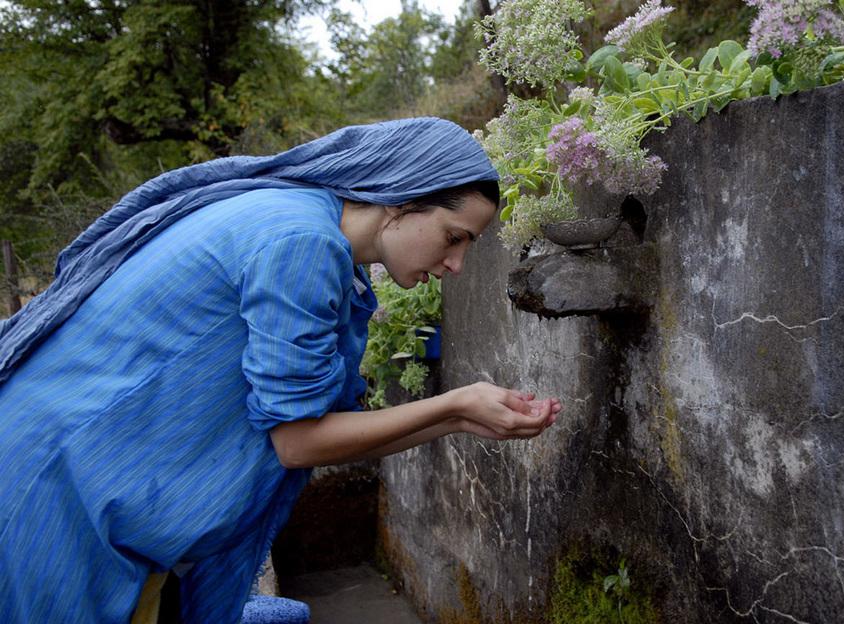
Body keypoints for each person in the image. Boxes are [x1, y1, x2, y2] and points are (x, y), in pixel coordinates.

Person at [0, 117, 561, 623]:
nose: (457, 264)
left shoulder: (294, 219)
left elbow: (306, 430)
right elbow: (297, 440)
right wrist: (455, 405)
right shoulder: (302, 244)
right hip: (56, 495)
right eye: (454, 237)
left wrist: (459, 419)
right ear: (400, 199)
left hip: (69, 472)